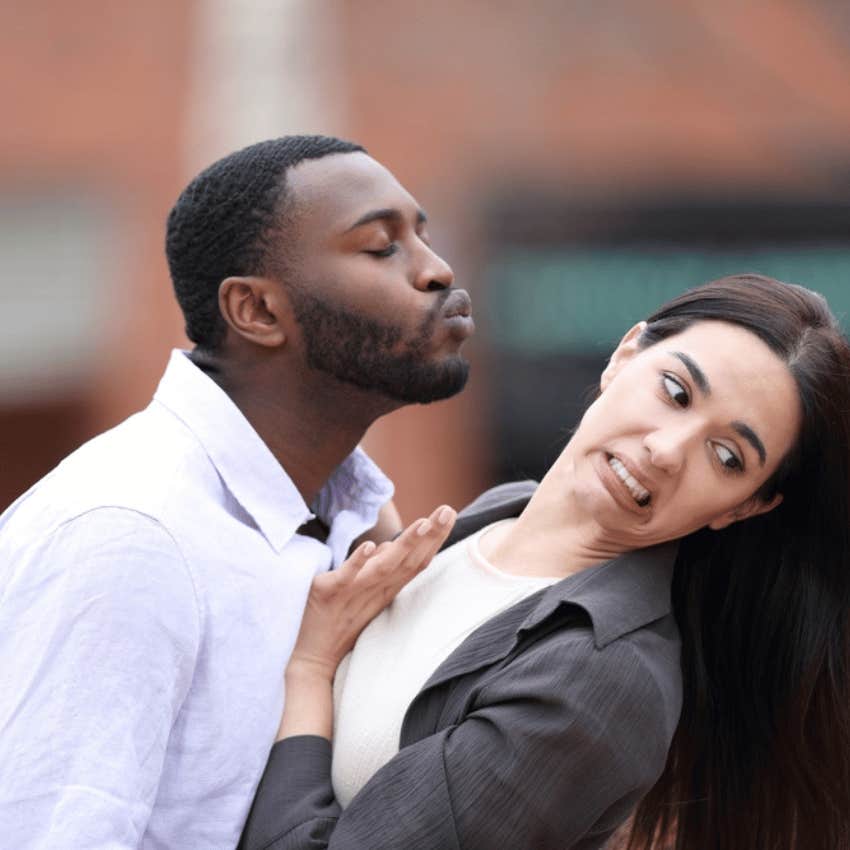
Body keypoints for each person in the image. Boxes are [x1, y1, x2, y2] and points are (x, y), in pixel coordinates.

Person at [238, 274, 850, 850]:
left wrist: (311, 666)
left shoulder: (603, 678)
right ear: (626, 355)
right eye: (675, 392)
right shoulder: (491, 519)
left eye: (725, 455)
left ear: (742, 508)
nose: (666, 450)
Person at [0, 135, 474, 848]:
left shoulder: (345, 520)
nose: (436, 271)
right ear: (256, 311)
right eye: (382, 247)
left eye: (423, 236)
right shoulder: (131, 534)